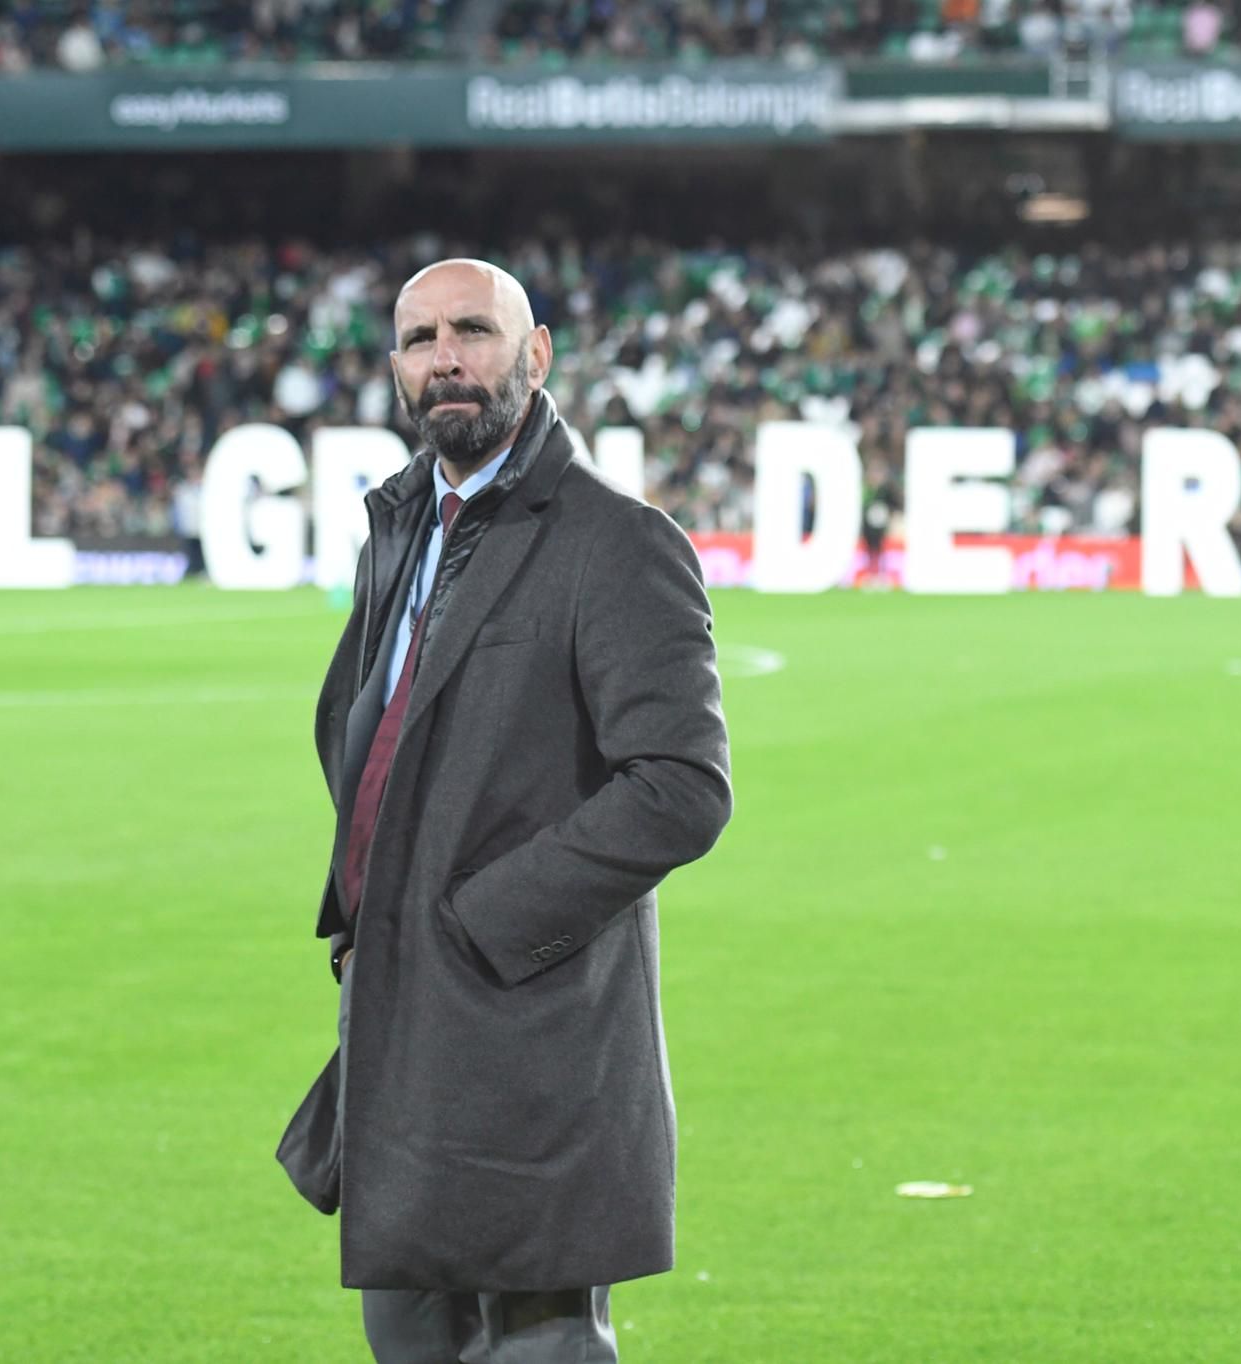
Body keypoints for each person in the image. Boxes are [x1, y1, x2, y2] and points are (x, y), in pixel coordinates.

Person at [277, 258, 734, 1363]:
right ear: (394, 368)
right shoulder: (403, 526)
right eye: (420, 337)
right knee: (411, 1332)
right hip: (396, 1013)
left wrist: (480, 919)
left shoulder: (615, 539)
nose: (445, 359)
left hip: (526, 1022)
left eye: (472, 331)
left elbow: (680, 783)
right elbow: (372, 732)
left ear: (534, 357)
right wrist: (361, 918)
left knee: (537, 1337)